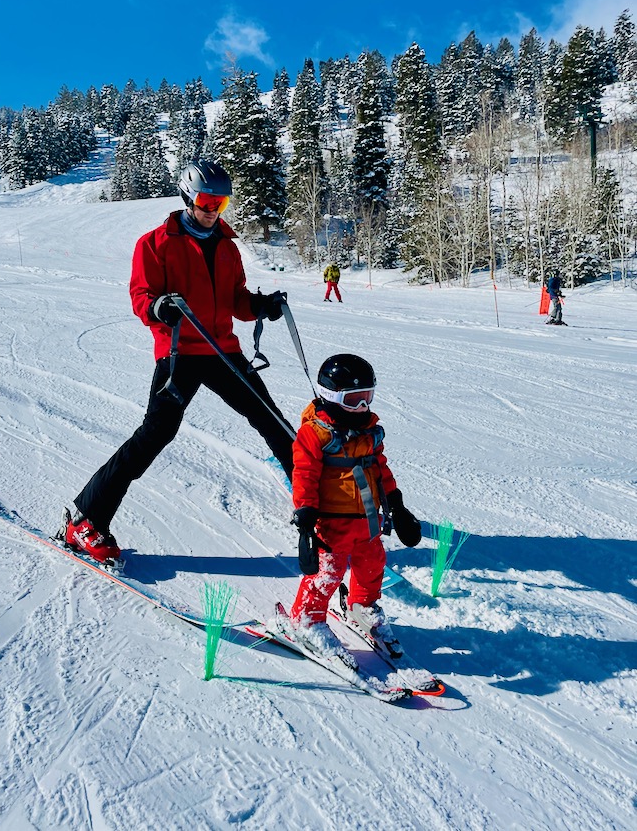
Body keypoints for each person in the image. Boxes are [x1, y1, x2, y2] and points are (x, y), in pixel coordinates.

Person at [61, 159, 295, 567]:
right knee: (156, 433)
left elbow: (236, 300)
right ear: (188, 196)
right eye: (206, 200)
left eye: (220, 203)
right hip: (179, 354)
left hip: (223, 351)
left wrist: (260, 305)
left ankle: (316, 506)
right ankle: (86, 518)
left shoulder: (226, 244)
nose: (212, 209)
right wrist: (158, 307)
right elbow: (140, 297)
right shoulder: (154, 243)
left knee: (271, 419)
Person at [284, 353, 422, 663]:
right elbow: (304, 473)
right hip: (332, 523)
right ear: (332, 397)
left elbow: (380, 469)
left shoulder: (370, 432)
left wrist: (397, 506)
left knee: (373, 565)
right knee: (327, 573)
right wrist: (305, 513)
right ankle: (308, 618)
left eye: (367, 398)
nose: (362, 407)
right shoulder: (316, 433)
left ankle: (362, 606)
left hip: (368, 521)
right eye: (353, 400)